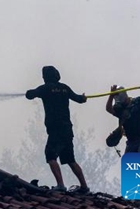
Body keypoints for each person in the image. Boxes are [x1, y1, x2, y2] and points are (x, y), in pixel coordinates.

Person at [26, 65, 90, 193]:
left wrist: (28, 92)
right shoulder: (64, 88)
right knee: (70, 159)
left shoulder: (45, 88)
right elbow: (79, 99)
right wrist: (83, 97)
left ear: (45, 77)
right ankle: (84, 187)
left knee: (50, 154)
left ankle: (60, 185)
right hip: (67, 129)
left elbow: (30, 95)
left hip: (56, 129)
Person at [106, 85, 140, 153]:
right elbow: (109, 109)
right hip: (132, 141)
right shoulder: (119, 109)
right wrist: (111, 95)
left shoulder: (137, 101)